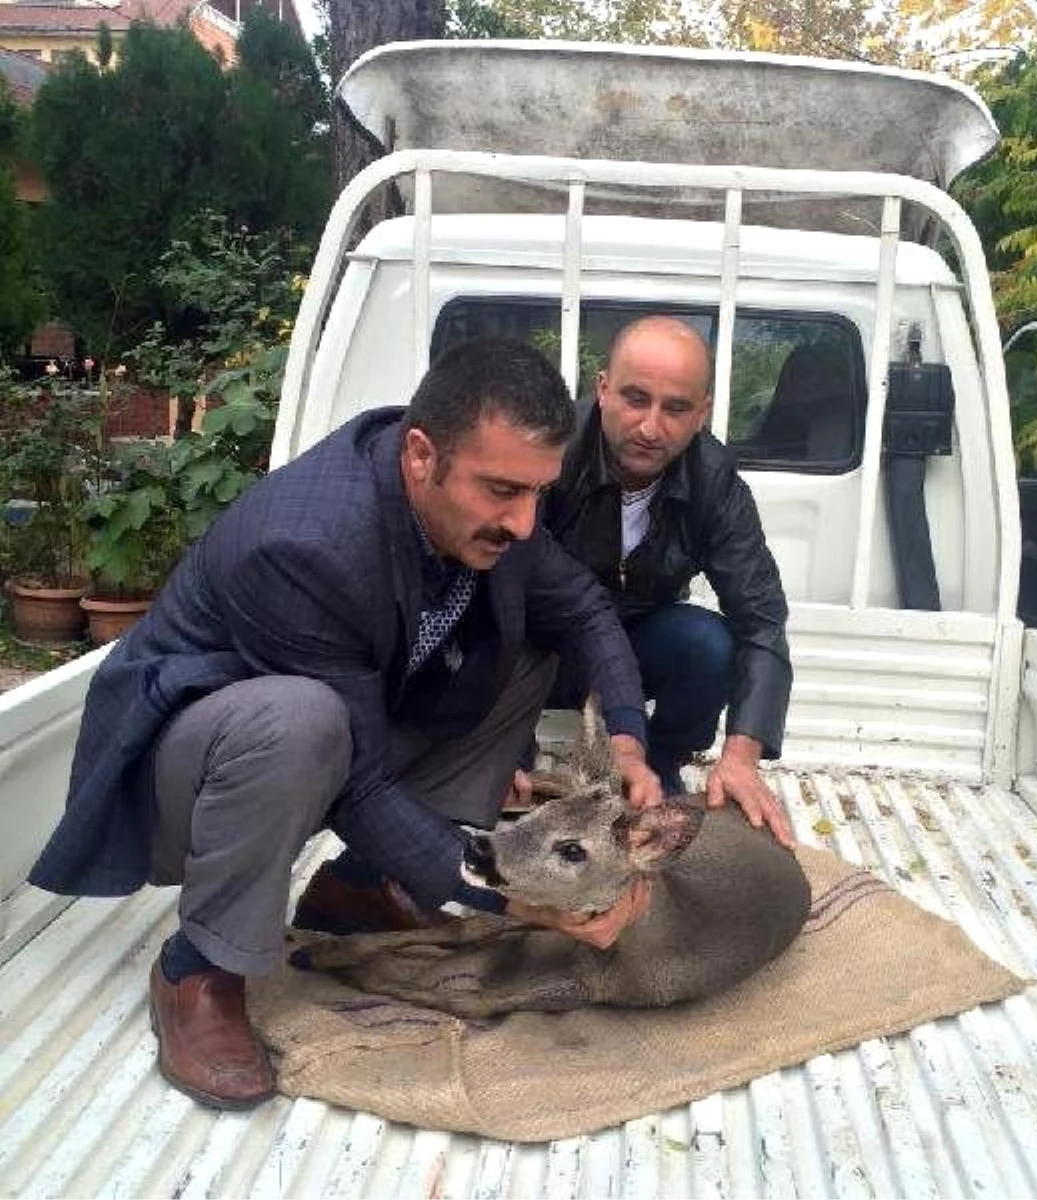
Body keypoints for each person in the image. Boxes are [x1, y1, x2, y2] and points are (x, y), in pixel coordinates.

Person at [28, 338, 660, 1110]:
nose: (526, 523)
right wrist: (506, 894)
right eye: (503, 492)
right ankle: (198, 968)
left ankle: (364, 888)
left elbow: (586, 609)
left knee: (524, 642)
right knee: (304, 718)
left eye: (538, 494)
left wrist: (626, 736)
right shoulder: (305, 544)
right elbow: (355, 781)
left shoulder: (485, 505)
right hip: (191, 780)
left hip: (340, 737)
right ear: (422, 456)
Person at [543, 315, 793, 845]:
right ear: (603, 390)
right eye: (635, 399)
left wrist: (742, 756)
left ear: (701, 414)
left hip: (639, 641)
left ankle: (658, 767)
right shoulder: (550, 452)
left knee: (708, 642)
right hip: (546, 643)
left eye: (676, 408)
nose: (651, 427)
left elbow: (762, 620)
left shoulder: (712, 479)